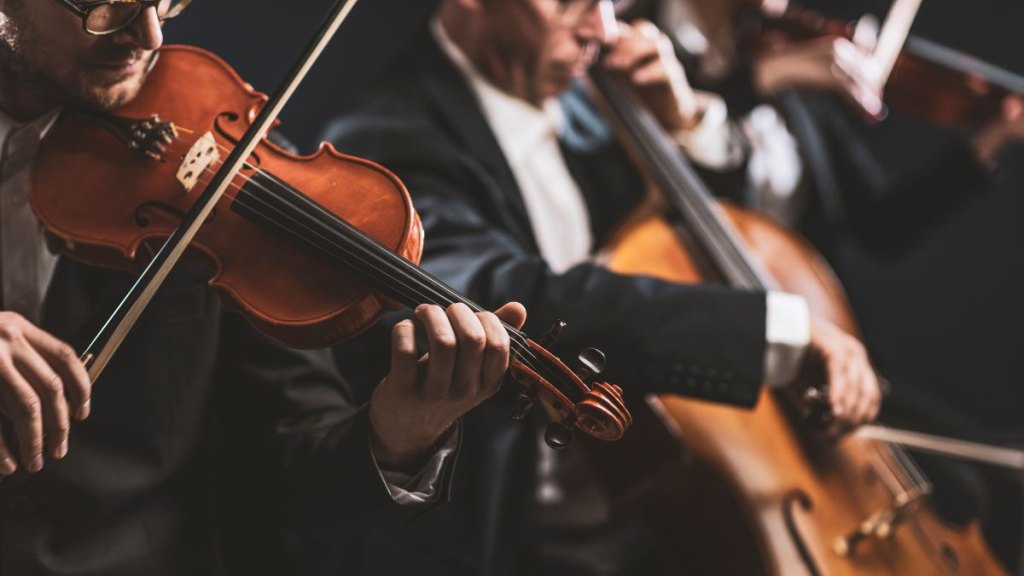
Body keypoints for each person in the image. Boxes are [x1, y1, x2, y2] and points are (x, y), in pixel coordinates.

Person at [325, 0, 883, 573]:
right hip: (520, 537)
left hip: (655, 511)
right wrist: (777, 332)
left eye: (609, 2)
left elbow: (718, 242)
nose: (604, 29)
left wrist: (683, 122)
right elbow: (526, 301)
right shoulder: (384, 145)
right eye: (573, 3)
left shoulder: (593, 101)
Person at [0, 1, 526, 574]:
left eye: (165, 2)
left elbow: (290, 465)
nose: (149, 37)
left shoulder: (215, 150)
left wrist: (399, 435)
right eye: (109, 6)